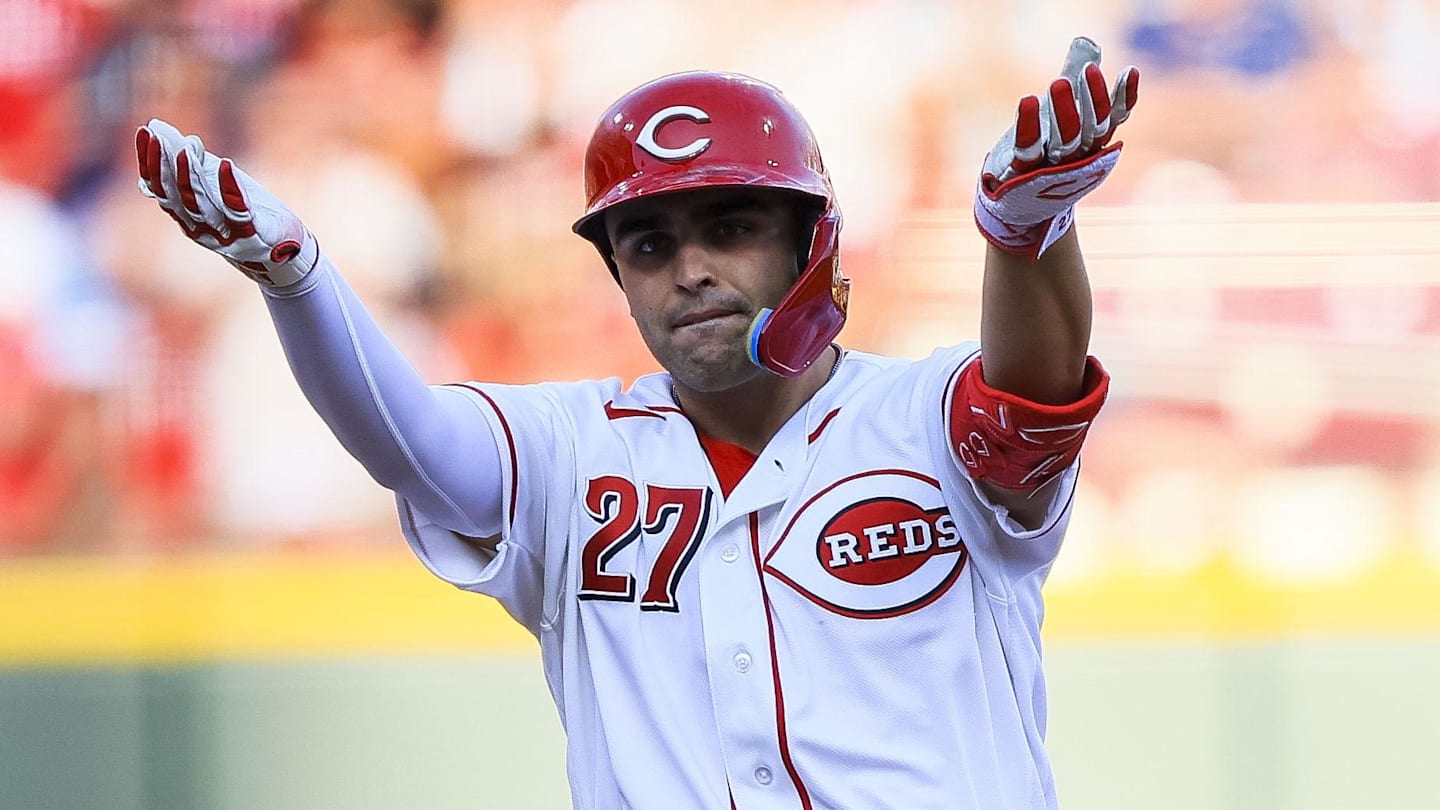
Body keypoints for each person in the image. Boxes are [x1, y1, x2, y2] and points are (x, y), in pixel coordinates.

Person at [135, 35, 1138, 810]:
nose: (690, 269)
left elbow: (1034, 392)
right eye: (650, 244)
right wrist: (298, 280)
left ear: (810, 242)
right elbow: (411, 444)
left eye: (732, 228)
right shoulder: (574, 449)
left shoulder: (922, 416)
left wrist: (1026, 231)